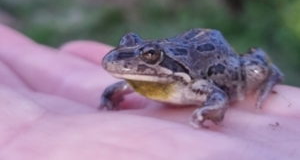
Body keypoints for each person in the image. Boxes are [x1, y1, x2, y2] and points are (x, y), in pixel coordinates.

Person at [0, 24, 299, 159]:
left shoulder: (193, 85)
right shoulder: (138, 82)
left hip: (218, 60)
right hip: (185, 54)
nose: (127, 60)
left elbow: (218, 97)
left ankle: (273, 74)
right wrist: (110, 96)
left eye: (150, 57)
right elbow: (119, 87)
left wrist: (209, 112)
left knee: (255, 70)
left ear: (160, 59)